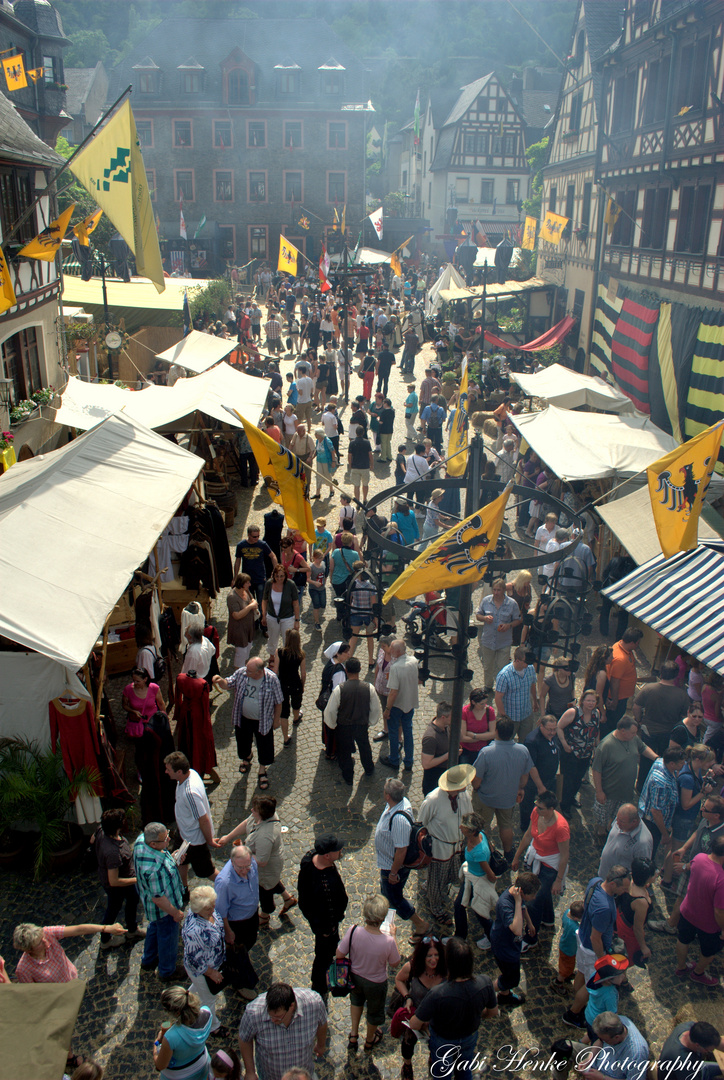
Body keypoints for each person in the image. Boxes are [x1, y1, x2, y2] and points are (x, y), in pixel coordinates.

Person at [409, 937, 498, 1080]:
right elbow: (492, 1012)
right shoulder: (485, 983)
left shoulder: (438, 994)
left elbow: (414, 1023)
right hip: (469, 1037)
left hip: (442, 1040)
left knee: (442, 1075)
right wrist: (477, 1013)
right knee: (464, 1071)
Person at [561, 865, 632, 1030]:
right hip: (593, 949)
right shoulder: (605, 908)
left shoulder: (595, 882)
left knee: (583, 972)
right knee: (591, 987)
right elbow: (596, 937)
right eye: (624, 888)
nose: (625, 892)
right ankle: (572, 1014)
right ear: (614, 884)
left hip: (583, 940)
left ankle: (576, 998)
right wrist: (603, 962)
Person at [650, 794, 724, 936]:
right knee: (684, 897)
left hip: (701, 874)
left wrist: (686, 867)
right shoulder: (707, 820)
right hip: (693, 868)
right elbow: (697, 832)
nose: (702, 809)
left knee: (684, 898)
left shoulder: (720, 837)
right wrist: (684, 848)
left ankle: (671, 925)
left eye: (706, 809)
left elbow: (710, 861)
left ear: (716, 816)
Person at [337, 894, 400, 1053]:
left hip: (355, 978)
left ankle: (353, 1034)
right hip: (376, 983)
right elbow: (394, 963)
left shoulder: (353, 931)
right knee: (374, 1012)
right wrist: (393, 935)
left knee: (356, 1002)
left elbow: (339, 954)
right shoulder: (388, 942)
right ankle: (370, 1040)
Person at [218, 795, 296, 926]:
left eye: (254, 810)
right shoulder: (262, 816)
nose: (251, 811)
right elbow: (246, 823)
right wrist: (228, 837)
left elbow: (261, 861)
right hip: (269, 870)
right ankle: (288, 898)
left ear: (261, 813)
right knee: (271, 881)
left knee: (265, 891)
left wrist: (242, 850)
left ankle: (265, 915)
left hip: (266, 868)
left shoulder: (265, 836)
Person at [212, 657, 283, 789]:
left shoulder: (272, 679)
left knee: (264, 745)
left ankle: (262, 769)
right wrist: (220, 680)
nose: (246, 672)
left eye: (250, 671)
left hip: (263, 721)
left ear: (259, 672)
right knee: (243, 742)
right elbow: (228, 683)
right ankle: (247, 757)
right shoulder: (242, 673)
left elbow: (278, 702)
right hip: (243, 718)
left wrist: (276, 720)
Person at [374, 777, 432, 940]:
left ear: (387, 796)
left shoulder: (399, 819)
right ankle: (385, 922)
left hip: (393, 867)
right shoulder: (399, 802)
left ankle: (421, 924)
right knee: (387, 895)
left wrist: (393, 873)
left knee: (395, 898)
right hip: (389, 863)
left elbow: (401, 850)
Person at [472, 715, 534, 863]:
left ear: (497, 731)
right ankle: (508, 853)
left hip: (487, 797)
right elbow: (524, 779)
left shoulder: (486, 753)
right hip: (508, 798)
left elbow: (476, 782)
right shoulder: (523, 751)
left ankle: (484, 855)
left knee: (483, 826)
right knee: (506, 826)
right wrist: (519, 788)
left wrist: (477, 790)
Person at [419, 764, 475, 925]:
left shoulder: (464, 796)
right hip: (439, 849)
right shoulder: (433, 800)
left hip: (457, 847)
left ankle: (432, 888)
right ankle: (435, 906)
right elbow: (421, 824)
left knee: (450, 876)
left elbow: (469, 816)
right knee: (437, 879)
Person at [238, 982, 327, 1080]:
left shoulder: (314, 1003)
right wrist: (250, 1071)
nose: (272, 1020)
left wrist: (321, 1045)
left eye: (278, 1017)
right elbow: (244, 1039)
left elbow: (322, 1022)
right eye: (270, 1016)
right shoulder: (253, 1013)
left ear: (291, 1006)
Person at [512, 790, 570, 938]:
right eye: (536, 806)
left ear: (551, 809)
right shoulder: (536, 813)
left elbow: (564, 856)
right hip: (536, 858)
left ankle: (531, 937)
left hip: (550, 866)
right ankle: (548, 920)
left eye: (540, 808)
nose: (536, 809)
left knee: (534, 900)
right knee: (543, 894)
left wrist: (558, 880)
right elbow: (527, 835)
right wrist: (516, 857)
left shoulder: (561, 828)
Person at [297, 834, 348, 998]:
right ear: (327, 855)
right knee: (323, 956)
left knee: (329, 950)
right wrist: (322, 928)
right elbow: (305, 903)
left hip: (331, 924)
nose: (341, 851)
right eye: (337, 850)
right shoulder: (315, 876)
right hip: (325, 927)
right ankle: (319, 986)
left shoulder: (322, 863)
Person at [133, 821, 186, 981]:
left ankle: (148, 960)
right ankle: (167, 971)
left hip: (150, 907)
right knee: (168, 937)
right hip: (164, 910)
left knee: (154, 927)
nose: (169, 840)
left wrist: (173, 857)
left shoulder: (140, 840)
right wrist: (175, 913)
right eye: (165, 839)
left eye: (168, 835)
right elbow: (159, 899)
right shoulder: (155, 869)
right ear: (153, 843)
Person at [591, 717, 657, 840]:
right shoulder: (606, 746)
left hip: (625, 791)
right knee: (602, 817)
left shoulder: (632, 739)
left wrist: (656, 758)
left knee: (618, 817)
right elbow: (596, 769)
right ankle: (601, 834)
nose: (635, 735)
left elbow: (643, 748)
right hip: (609, 792)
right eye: (632, 732)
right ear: (622, 731)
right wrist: (599, 791)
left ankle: (613, 832)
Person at [394, 936, 447, 1079]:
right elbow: (399, 980)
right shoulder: (412, 967)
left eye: (436, 955)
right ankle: (407, 1065)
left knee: (435, 1045)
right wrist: (407, 997)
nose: (433, 959)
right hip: (415, 1016)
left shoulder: (446, 972)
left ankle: (432, 1059)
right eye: (429, 956)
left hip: (437, 1019)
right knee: (408, 1043)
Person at [675, 834, 724, 985]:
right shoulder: (721, 879)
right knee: (709, 952)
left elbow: (690, 866)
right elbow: (718, 911)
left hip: (688, 911)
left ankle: (681, 967)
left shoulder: (699, 857)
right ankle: (698, 973)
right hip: (708, 924)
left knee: (683, 940)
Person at [164, 751, 219, 887]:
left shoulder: (190, 793)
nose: (166, 771)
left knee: (207, 871)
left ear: (179, 772)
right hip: (184, 833)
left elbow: (203, 819)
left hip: (194, 841)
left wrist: (209, 840)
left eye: (168, 769)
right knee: (180, 861)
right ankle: (184, 888)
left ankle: (232, 886)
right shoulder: (191, 773)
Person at [93, 807, 143, 950]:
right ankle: (105, 939)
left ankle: (132, 929)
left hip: (125, 880)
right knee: (113, 909)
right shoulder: (113, 852)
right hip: (118, 886)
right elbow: (113, 881)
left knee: (132, 900)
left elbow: (92, 839)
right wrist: (137, 880)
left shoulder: (101, 830)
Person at [323, 657, 379, 785]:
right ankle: (369, 768)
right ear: (360, 669)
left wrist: (332, 724)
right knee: (364, 747)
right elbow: (375, 708)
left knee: (345, 751)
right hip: (361, 725)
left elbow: (331, 711)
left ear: (346, 670)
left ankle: (348, 776)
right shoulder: (369, 688)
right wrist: (370, 722)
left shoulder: (339, 689)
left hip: (344, 726)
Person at [13, 919, 127, 982]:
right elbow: (34, 995)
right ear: (29, 950)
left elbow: (78, 929)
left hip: (72, 978)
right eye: (39, 942)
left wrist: (106, 928)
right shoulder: (24, 969)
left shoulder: (46, 933)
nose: (45, 941)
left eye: (42, 937)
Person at [214, 844, 260, 999]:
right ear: (232, 862)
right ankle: (241, 984)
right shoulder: (224, 883)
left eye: (247, 865)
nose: (245, 870)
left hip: (251, 916)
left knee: (250, 942)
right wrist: (228, 931)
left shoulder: (251, 863)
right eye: (240, 867)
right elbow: (220, 912)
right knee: (237, 954)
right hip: (236, 923)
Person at [182, 886, 228, 1037]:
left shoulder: (208, 911)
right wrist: (211, 973)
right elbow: (194, 959)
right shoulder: (193, 931)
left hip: (213, 962)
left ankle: (186, 999)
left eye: (213, 904)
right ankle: (214, 1026)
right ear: (198, 909)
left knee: (199, 989)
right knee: (209, 999)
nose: (213, 908)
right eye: (209, 907)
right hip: (202, 970)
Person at [490, 872, 541, 1007]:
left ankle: (504, 996)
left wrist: (529, 922)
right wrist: (518, 902)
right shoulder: (506, 903)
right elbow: (517, 930)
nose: (535, 897)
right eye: (533, 894)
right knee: (511, 980)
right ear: (522, 893)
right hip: (504, 947)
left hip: (511, 944)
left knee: (507, 974)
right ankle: (486, 990)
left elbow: (523, 907)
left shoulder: (517, 892)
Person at [632, 660, 690, 777]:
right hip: (669, 734)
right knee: (666, 763)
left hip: (648, 731)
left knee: (646, 760)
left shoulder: (649, 689)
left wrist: (639, 721)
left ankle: (641, 786)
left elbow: (636, 706)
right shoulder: (682, 694)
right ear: (676, 675)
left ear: (661, 673)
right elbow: (684, 717)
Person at [453, 811, 499, 949]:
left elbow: (490, 874)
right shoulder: (480, 835)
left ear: (471, 831)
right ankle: (461, 935)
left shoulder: (479, 852)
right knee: (460, 906)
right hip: (471, 878)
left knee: (480, 912)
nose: (460, 827)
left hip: (476, 882)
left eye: (464, 826)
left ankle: (493, 938)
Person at [152, 985, 213, 1080]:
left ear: (176, 1013)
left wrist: (156, 1044)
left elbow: (160, 1066)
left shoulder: (171, 1037)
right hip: (202, 1067)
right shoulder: (207, 1013)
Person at [558, 689, 602, 818]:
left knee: (578, 779)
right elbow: (559, 727)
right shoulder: (573, 712)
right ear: (582, 701)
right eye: (588, 700)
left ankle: (571, 798)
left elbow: (596, 730)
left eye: (593, 701)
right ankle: (564, 805)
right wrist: (565, 744)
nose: (591, 703)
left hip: (586, 753)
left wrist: (597, 746)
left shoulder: (596, 714)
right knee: (568, 780)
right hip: (571, 753)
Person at [638, 746, 686, 857]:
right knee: (649, 852)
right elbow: (656, 811)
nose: (684, 765)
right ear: (672, 764)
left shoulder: (660, 762)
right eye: (681, 763)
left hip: (651, 816)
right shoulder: (661, 784)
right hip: (652, 824)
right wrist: (664, 834)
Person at [380, 640, 420, 773]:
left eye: (391, 649)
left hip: (397, 705)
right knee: (408, 731)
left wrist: (387, 709)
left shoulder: (395, 667)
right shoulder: (414, 661)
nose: (390, 651)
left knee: (393, 732)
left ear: (397, 652)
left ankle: (394, 760)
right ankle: (408, 762)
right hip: (410, 704)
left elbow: (393, 692)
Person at [476, 578, 522, 691]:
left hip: (504, 642)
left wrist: (509, 625)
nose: (496, 593)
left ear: (504, 591)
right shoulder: (486, 601)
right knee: (487, 667)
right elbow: (478, 615)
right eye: (494, 590)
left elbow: (518, 620)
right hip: (488, 640)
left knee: (503, 667)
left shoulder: (512, 604)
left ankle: (501, 688)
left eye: (499, 590)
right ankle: (488, 686)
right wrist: (484, 618)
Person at [520, 715, 560, 833]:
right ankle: (526, 827)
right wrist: (540, 786)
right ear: (541, 726)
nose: (552, 732)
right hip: (534, 782)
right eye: (549, 729)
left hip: (550, 778)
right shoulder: (532, 741)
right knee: (528, 805)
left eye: (554, 729)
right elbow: (531, 766)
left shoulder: (552, 735)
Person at [615, 856, 656, 967]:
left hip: (620, 917)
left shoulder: (630, 880)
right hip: (628, 932)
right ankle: (621, 979)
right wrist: (643, 947)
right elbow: (637, 928)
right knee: (626, 959)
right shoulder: (641, 902)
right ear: (647, 878)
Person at [122, 667, 166, 770]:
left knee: (154, 746)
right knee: (140, 749)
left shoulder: (154, 688)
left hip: (152, 723)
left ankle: (155, 766)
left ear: (145, 679)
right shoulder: (128, 689)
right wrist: (133, 711)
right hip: (138, 725)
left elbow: (161, 703)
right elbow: (124, 705)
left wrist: (164, 718)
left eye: (137, 681)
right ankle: (141, 769)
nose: (135, 683)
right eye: (133, 680)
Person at [494, 647, 538, 742]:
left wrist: (535, 701)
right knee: (506, 742)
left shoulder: (530, 669)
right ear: (517, 660)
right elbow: (498, 698)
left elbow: (533, 685)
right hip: (511, 717)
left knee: (526, 741)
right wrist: (504, 717)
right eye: (526, 661)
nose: (529, 663)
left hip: (526, 714)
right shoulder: (504, 675)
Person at [598, 805, 653, 880]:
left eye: (622, 822)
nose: (617, 823)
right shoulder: (620, 819)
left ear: (634, 822)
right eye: (617, 819)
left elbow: (641, 871)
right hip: (603, 874)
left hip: (617, 886)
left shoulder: (643, 843)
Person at [605, 628, 643, 734]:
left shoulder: (620, 645)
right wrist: (615, 700)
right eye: (637, 643)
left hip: (622, 696)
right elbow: (614, 681)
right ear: (631, 642)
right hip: (618, 697)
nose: (638, 645)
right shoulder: (621, 659)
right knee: (613, 721)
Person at [271, 628, 306, 743]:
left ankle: (286, 738)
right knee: (296, 704)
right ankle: (296, 719)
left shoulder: (279, 652)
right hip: (295, 683)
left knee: (284, 712)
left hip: (283, 684)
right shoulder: (301, 654)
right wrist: (302, 685)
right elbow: (303, 674)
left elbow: (275, 671)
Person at [658, 1020, 724, 1080]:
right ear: (697, 1045)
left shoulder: (691, 1027)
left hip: (698, 1069)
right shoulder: (684, 1063)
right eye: (709, 1050)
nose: (708, 1052)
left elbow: (717, 1042)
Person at [261, 565, 300, 656]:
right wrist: (263, 615)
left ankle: (286, 658)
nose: (279, 578)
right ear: (273, 576)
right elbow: (264, 600)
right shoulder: (269, 584)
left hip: (287, 617)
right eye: (277, 576)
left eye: (281, 576)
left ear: (285, 576)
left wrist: (297, 620)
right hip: (272, 617)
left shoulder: (290, 584)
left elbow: (295, 603)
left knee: (287, 641)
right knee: (272, 639)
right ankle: (272, 657)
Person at [233, 526, 277, 608]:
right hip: (246, 579)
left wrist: (275, 570)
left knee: (261, 602)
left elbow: (273, 556)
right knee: (249, 602)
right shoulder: (241, 545)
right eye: (254, 536)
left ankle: (262, 619)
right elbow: (237, 561)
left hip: (260, 578)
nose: (257, 538)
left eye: (258, 536)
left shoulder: (262, 544)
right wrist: (235, 576)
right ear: (249, 535)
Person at [552, 898, 584, 995]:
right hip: (569, 950)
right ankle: (558, 982)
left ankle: (567, 974)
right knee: (566, 968)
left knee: (567, 965)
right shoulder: (574, 928)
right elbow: (581, 935)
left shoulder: (567, 913)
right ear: (576, 919)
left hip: (565, 946)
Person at [420, 700, 453, 795]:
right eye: (451, 717)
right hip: (434, 780)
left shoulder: (446, 726)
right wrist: (447, 755)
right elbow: (426, 764)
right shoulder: (431, 738)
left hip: (445, 774)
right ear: (443, 717)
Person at [348, 563, 377, 666]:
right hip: (368, 614)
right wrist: (375, 619)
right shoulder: (371, 586)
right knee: (370, 638)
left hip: (355, 613)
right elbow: (374, 604)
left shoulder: (353, 584)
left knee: (353, 637)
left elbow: (350, 600)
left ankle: (349, 658)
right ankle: (370, 660)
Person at [226, 574, 258, 670]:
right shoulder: (232, 597)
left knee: (247, 651)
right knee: (241, 653)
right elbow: (236, 615)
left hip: (248, 626)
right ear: (242, 584)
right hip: (239, 629)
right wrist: (251, 606)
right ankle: (238, 674)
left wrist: (253, 602)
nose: (250, 584)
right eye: (247, 582)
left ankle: (244, 668)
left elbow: (252, 599)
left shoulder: (245, 591)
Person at [459, 688, 497, 766]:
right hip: (467, 751)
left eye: (485, 703)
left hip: (483, 750)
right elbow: (463, 737)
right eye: (481, 704)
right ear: (473, 702)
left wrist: (474, 735)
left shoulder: (490, 711)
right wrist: (485, 736)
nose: (484, 706)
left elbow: (493, 734)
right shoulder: (465, 712)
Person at [540, 656, 576, 720]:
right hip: (553, 713)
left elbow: (572, 689)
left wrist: (574, 700)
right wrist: (543, 714)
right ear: (559, 669)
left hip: (567, 712)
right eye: (566, 668)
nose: (569, 670)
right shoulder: (550, 680)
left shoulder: (571, 677)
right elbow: (542, 696)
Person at [347, 428, 374, 503]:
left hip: (355, 466)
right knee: (365, 484)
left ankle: (358, 501)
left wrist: (350, 464)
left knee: (356, 485)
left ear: (356, 433)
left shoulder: (352, 443)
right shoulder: (367, 442)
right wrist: (372, 464)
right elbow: (370, 455)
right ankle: (365, 499)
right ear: (363, 433)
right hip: (365, 466)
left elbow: (349, 455)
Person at [330, 533, 358, 598]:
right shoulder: (355, 554)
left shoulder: (336, 552)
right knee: (349, 599)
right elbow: (357, 569)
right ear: (351, 542)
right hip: (350, 581)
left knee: (339, 598)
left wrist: (331, 578)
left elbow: (331, 568)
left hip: (337, 580)